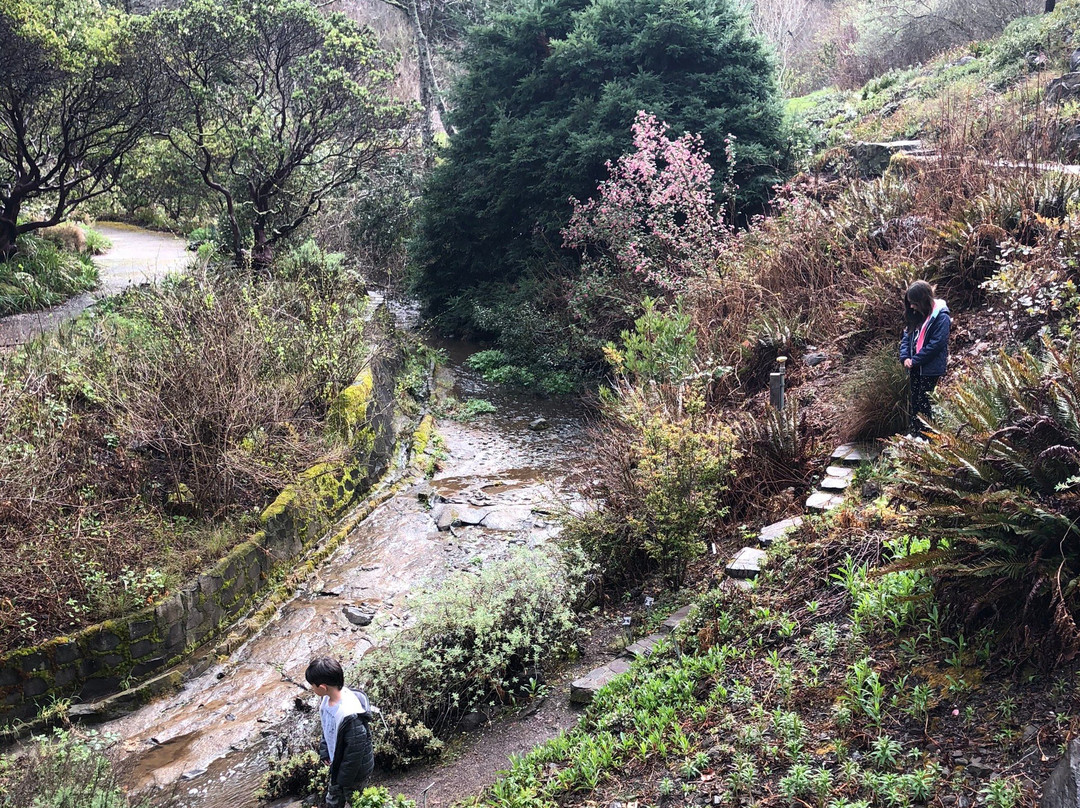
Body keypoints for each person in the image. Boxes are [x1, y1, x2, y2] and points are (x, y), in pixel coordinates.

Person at [306, 656, 374, 808]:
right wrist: (325, 752)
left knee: (358, 801)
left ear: (322, 687)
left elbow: (355, 754)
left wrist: (342, 779)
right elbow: (327, 728)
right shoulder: (326, 700)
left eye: (312, 685)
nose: (312, 688)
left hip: (354, 773)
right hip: (338, 766)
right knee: (333, 800)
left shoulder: (350, 715)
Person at [899, 280, 951, 435]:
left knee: (925, 401)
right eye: (910, 304)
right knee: (914, 401)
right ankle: (915, 433)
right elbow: (906, 337)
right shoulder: (915, 314)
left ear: (924, 300)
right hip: (914, 366)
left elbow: (937, 344)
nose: (912, 307)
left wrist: (916, 360)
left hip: (930, 368)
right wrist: (905, 357)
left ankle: (927, 436)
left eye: (915, 303)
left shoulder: (941, 317)